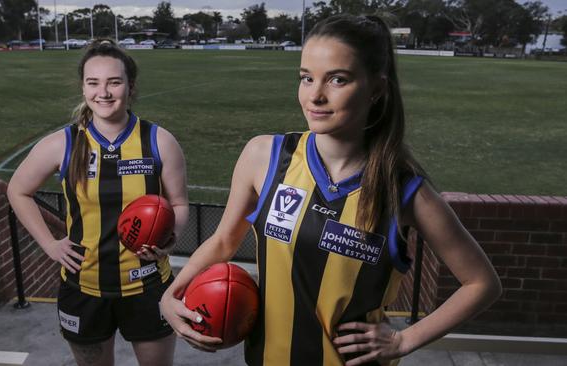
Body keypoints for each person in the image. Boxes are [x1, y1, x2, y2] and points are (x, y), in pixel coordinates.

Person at [160, 15, 501, 366]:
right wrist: (171, 294)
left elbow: (482, 283)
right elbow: (223, 242)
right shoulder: (264, 157)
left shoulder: (404, 190)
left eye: (338, 79)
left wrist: (403, 340)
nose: (315, 95)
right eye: (306, 78)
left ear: (377, 89)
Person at [8, 39, 188, 366]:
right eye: (93, 83)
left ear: (130, 87)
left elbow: (179, 204)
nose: (103, 92)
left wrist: (169, 240)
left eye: (114, 82)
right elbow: (17, 190)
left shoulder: (159, 141)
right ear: (83, 87)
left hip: (148, 286)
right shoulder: (62, 143)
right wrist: (49, 244)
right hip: (84, 288)